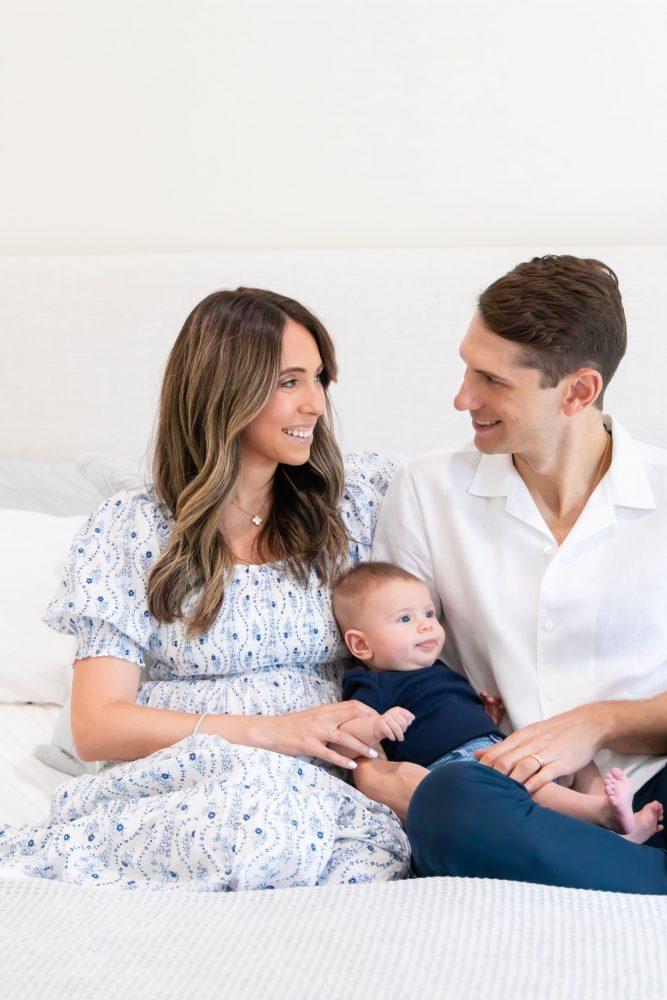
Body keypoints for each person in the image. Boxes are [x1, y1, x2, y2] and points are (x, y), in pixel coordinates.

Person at [0, 287, 410, 889]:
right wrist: (268, 732)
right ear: (226, 390)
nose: (316, 404)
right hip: (185, 782)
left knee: (325, 837)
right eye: (289, 381)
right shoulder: (130, 528)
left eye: (320, 379)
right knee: (258, 811)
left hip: (321, 787)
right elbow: (96, 725)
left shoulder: (352, 505)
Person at [360, 254, 667, 893]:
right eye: (467, 367)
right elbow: (395, 668)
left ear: (579, 391)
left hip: (653, 784)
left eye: (491, 380)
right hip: (508, 796)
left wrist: (599, 722)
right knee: (444, 802)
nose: (462, 398)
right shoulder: (426, 491)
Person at [331, 561, 663, 844]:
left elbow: (454, 713)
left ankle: (615, 825)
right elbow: (348, 732)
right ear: (361, 645)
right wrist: (376, 726)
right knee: (530, 788)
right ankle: (602, 815)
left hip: (492, 749)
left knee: (571, 758)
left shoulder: (441, 669)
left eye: (429, 613)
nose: (426, 624)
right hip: (453, 767)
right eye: (405, 619)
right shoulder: (372, 682)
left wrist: (489, 714)